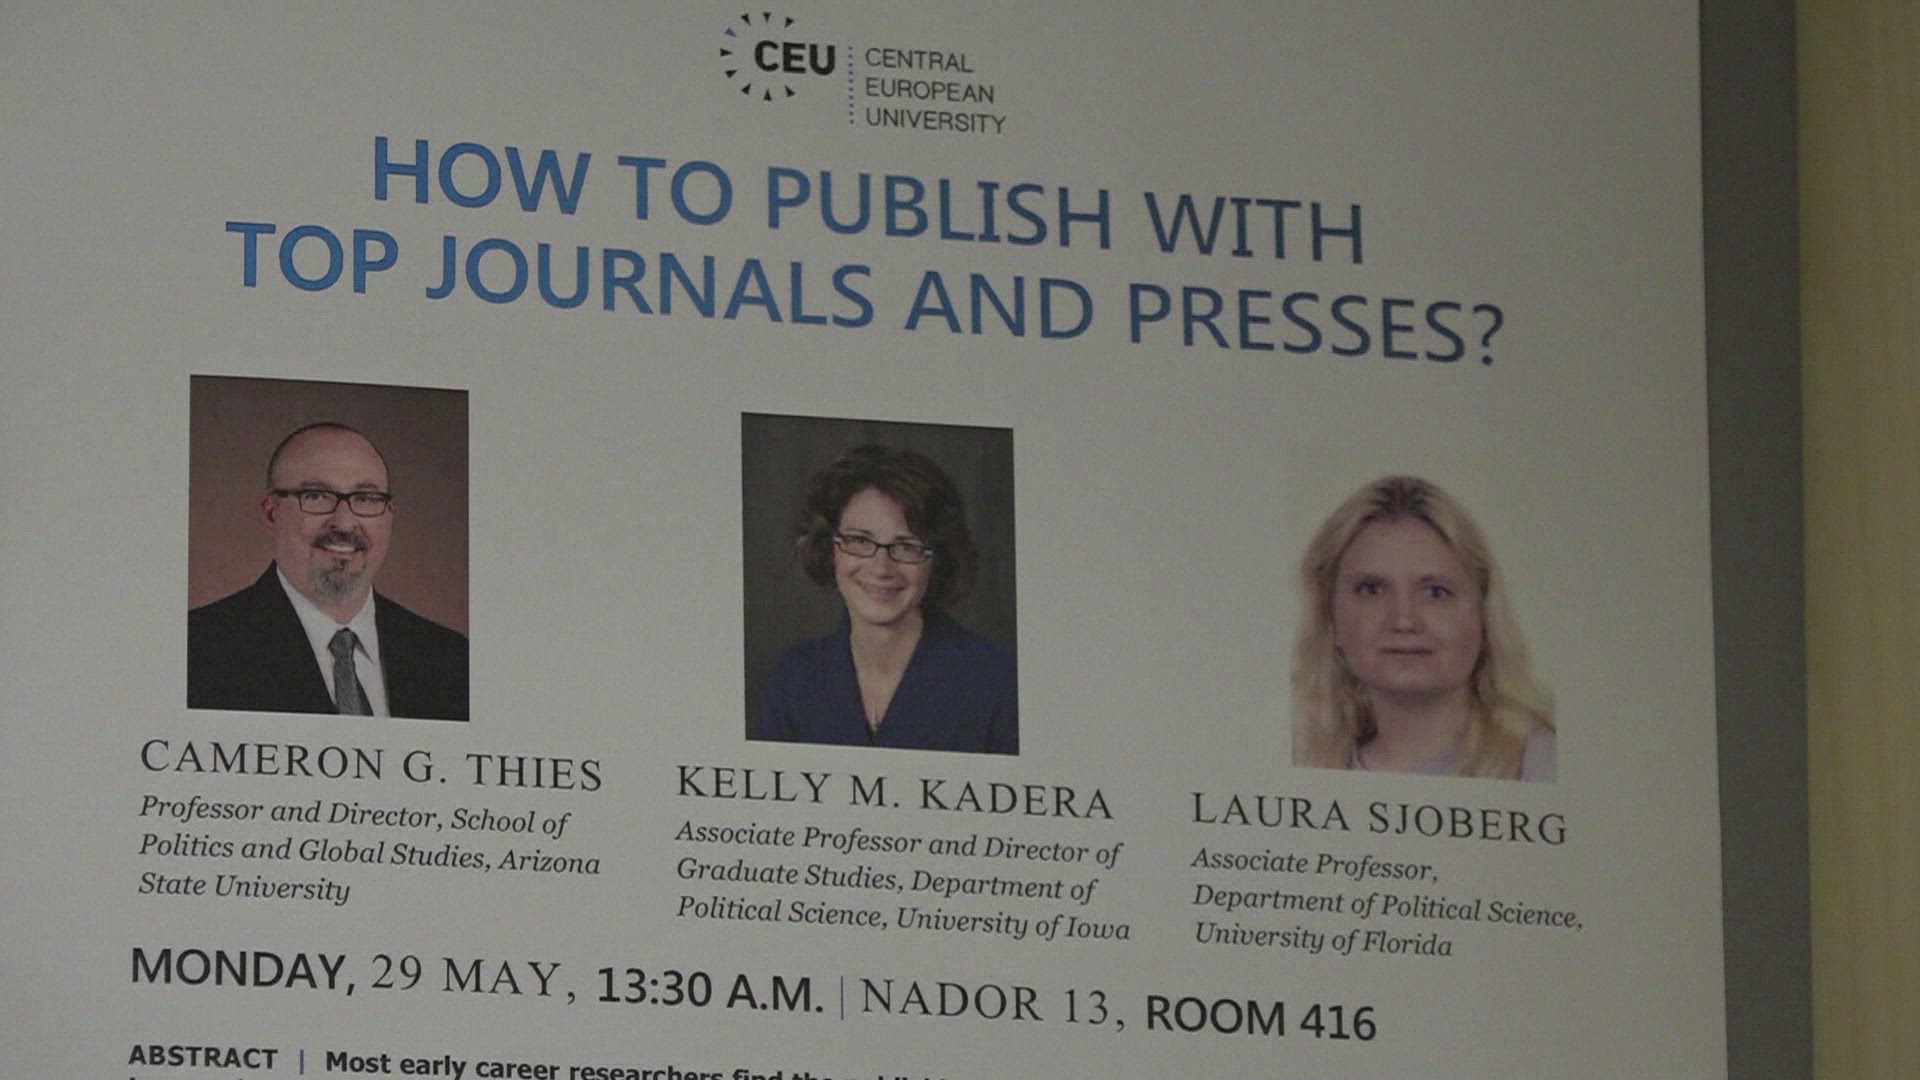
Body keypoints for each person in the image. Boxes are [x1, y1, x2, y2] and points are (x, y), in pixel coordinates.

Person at [188, 422, 469, 721]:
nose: (345, 523)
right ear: (272, 513)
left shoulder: (452, 660)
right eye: (317, 496)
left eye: (366, 498)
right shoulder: (198, 650)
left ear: (389, 516)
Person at [757, 444, 1016, 753]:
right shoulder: (793, 679)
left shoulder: (999, 680)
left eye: (906, 546)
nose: (881, 568)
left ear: (938, 559)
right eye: (860, 540)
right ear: (828, 546)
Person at [1292, 476, 1554, 780]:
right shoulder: (1308, 765)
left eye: (1435, 593)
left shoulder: (1543, 765)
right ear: (1330, 615)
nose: (1404, 621)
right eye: (1372, 590)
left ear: (1484, 615)